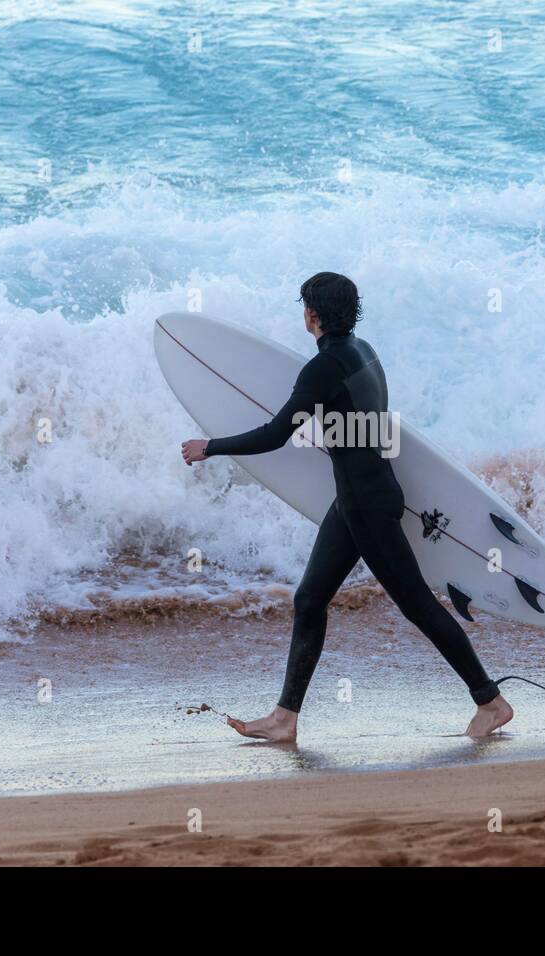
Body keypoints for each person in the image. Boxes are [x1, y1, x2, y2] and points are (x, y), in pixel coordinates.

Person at [180, 272, 513, 741]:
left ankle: (491, 701)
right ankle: (284, 718)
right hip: (361, 496)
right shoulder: (364, 352)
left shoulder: (323, 367)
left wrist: (210, 446)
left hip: (366, 505)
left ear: (311, 314)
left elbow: (277, 434)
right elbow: (362, 427)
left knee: (417, 604)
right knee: (310, 597)